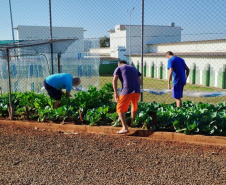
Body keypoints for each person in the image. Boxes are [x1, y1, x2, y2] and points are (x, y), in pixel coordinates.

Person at [113, 60, 142, 134]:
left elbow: (115, 80)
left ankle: (125, 128)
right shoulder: (134, 68)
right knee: (134, 105)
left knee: (120, 108)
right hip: (137, 90)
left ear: (119, 64)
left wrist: (116, 92)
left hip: (127, 90)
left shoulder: (119, 68)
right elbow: (140, 82)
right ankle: (132, 123)